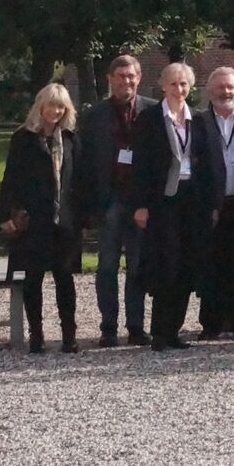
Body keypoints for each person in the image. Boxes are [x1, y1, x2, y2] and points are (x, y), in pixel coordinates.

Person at [75, 54, 151, 348]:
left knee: (137, 266)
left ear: (139, 78)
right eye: (120, 76)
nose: (126, 81)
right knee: (106, 266)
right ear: (110, 79)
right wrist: (88, 208)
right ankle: (108, 327)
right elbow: (83, 166)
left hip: (140, 202)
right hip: (109, 202)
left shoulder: (152, 111)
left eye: (131, 76)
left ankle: (136, 326)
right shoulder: (92, 117)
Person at [0, 84, 81, 354]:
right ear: (40, 106)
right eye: (51, 105)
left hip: (64, 221)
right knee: (33, 279)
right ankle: (36, 333)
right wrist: (5, 214)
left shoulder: (70, 138)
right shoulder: (24, 138)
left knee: (65, 279)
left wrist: (84, 214)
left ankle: (69, 334)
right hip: (34, 220)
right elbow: (10, 178)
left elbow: (80, 179)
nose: (56, 111)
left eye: (61, 106)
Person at [133, 62, 203, 351]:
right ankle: (160, 332)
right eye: (174, 84)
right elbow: (140, 166)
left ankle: (174, 330)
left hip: (191, 199)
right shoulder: (149, 119)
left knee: (186, 264)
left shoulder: (198, 118)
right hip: (162, 200)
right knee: (166, 265)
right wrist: (141, 205)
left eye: (184, 84)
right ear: (163, 86)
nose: (179, 89)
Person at [192, 65, 234, 340]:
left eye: (230, 87)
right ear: (210, 91)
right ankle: (211, 323)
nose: (225, 91)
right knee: (211, 263)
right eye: (220, 87)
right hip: (213, 204)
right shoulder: (197, 122)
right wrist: (206, 204)